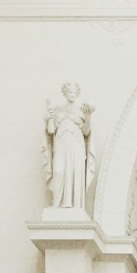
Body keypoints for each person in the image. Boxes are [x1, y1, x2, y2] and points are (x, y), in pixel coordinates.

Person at [43, 82, 95, 210]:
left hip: (76, 145)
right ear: (65, 94)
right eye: (69, 92)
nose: (72, 95)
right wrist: (47, 119)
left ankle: (74, 204)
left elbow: (86, 132)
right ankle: (57, 203)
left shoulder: (81, 111)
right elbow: (50, 131)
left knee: (75, 171)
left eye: (74, 92)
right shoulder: (57, 110)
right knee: (59, 170)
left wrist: (88, 117)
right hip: (60, 144)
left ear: (77, 94)